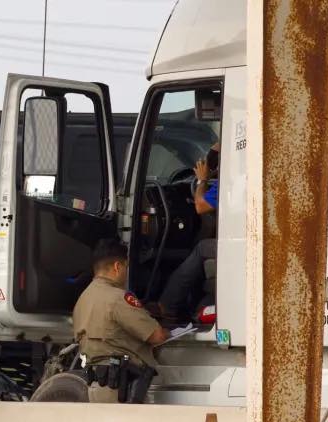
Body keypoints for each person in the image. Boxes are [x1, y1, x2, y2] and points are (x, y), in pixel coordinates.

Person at [72, 239, 170, 403]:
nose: (126, 273)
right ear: (118, 267)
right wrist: (167, 331)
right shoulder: (118, 298)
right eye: (126, 267)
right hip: (122, 389)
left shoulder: (83, 299)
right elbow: (157, 336)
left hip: (98, 385)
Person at [154, 143, 220, 324]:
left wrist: (202, 180)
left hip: (241, 245)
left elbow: (200, 206)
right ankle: (198, 306)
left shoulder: (225, 184)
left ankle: (167, 306)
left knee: (201, 248)